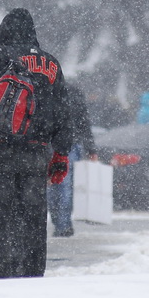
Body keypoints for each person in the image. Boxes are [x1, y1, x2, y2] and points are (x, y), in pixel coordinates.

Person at [0, 8, 71, 279]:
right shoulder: (51, 63)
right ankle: (33, 272)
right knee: (34, 215)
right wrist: (61, 153)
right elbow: (63, 111)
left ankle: (2, 272)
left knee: (0, 213)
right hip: (36, 152)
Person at [47, 83, 98, 237]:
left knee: (52, 185)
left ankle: (59, 222)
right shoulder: (74, 93)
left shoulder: (44, 90)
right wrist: (91, 149)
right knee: (65, 186)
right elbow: (84, 122)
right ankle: (63, 224)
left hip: (48, 143)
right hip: (70, 144)